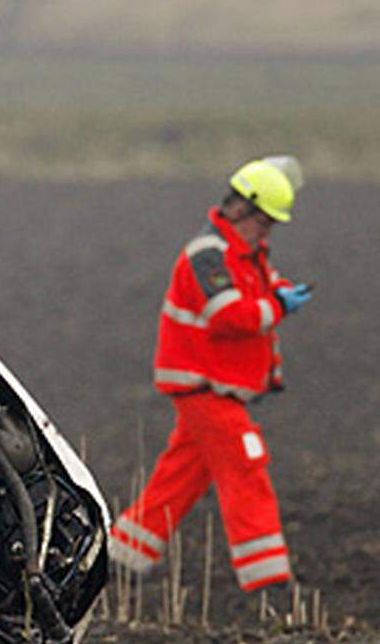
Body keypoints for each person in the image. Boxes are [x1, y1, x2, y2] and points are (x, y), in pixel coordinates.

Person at [109, 156, 314, 592]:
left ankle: (122, 557)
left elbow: (265, 284)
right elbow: (228, 316)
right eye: (265, 222)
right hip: (202, 385)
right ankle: (269, 585)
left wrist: (279, 293)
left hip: (220, 387)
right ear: (242, 209)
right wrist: (279, 307)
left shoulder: (247, 254)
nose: (268, 231)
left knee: (182, 474)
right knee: (246, 464)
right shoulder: (209, 256)